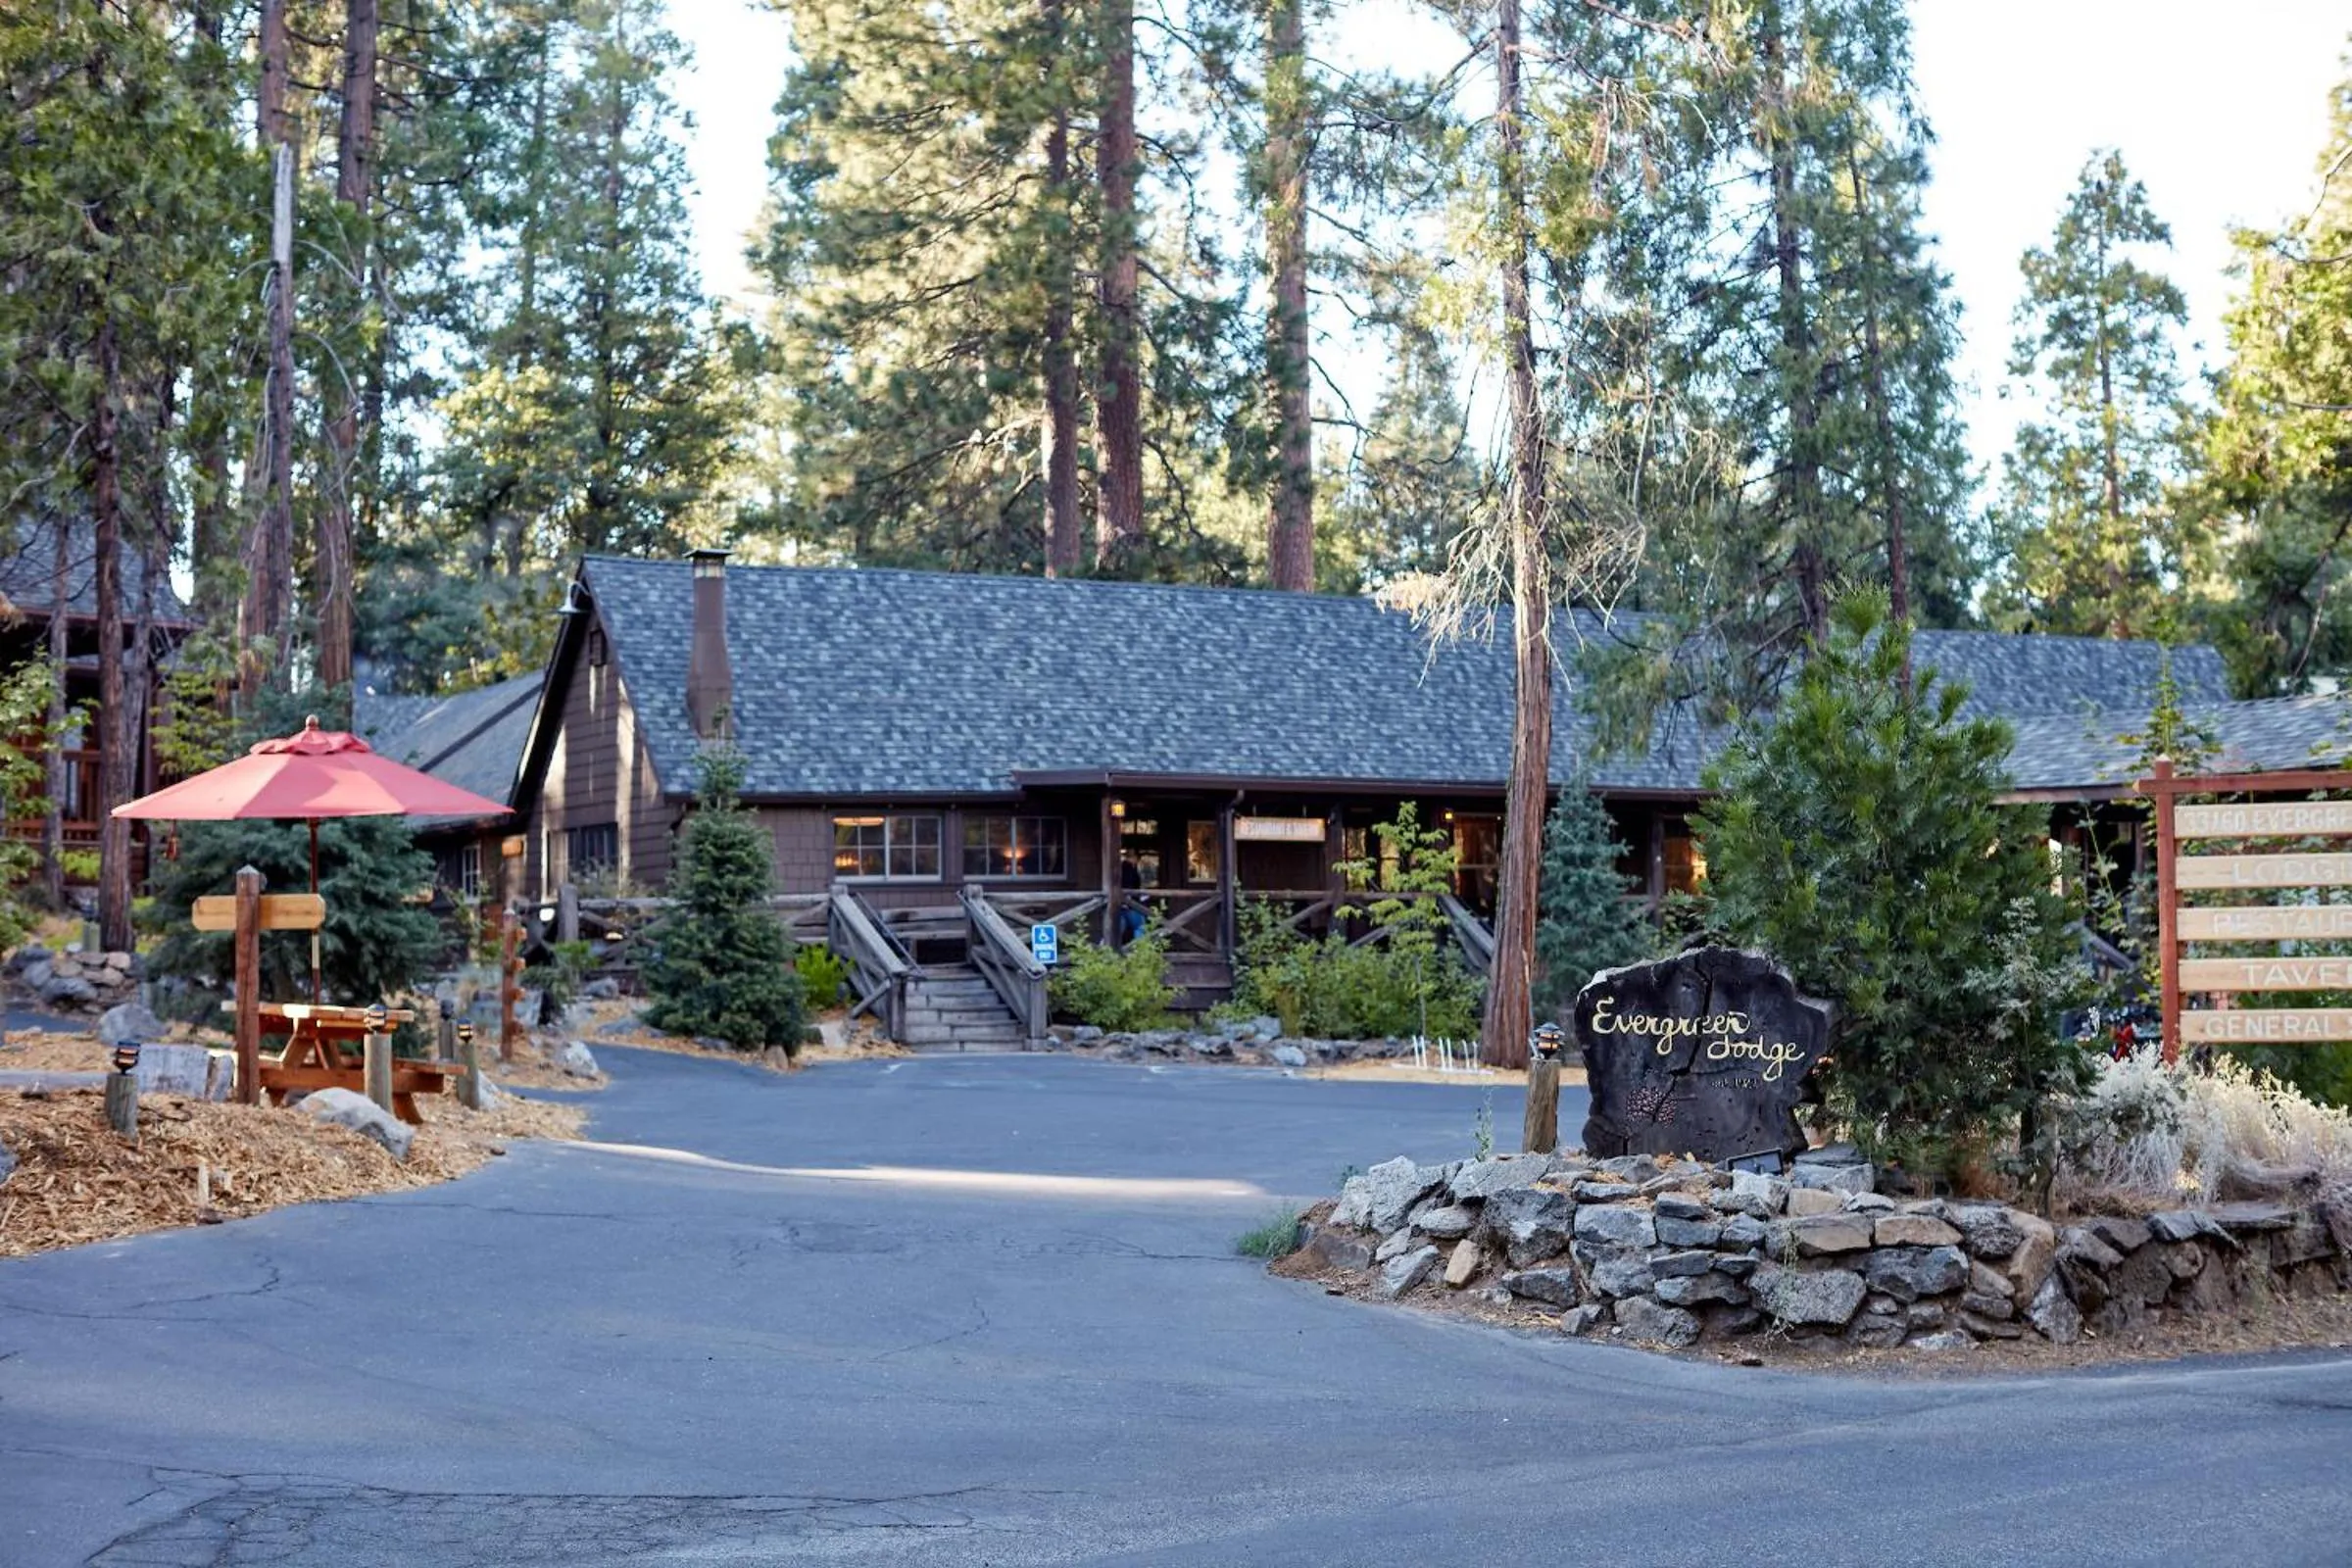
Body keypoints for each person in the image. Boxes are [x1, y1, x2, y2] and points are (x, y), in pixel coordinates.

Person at [1117, 857, 1147, 945]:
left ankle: (1104, 950)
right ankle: (1140, 950)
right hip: (1131, 905)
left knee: (1116, 930)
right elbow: (1133, 885)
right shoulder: (1130, 871)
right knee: (1140, 927)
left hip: (1118, 905)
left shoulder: (1117, 871)